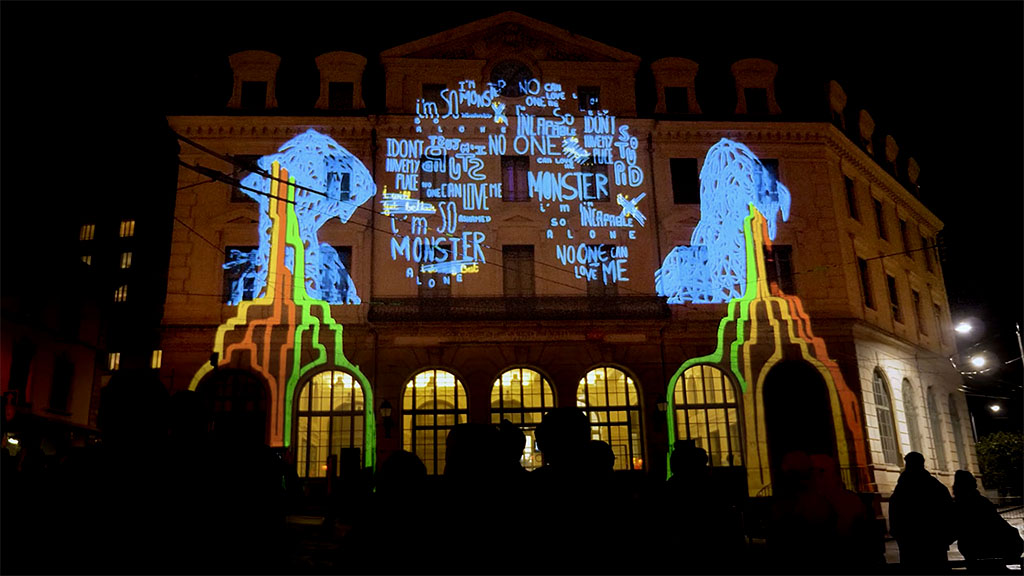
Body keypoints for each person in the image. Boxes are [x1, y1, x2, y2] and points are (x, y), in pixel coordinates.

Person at [888, 451, 956, 573]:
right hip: (934, 541)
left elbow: (895, 513)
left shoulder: (902, 489)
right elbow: (949, 513)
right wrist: (946, 537)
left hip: (910, 542)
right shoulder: (936, 486)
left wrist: (898, 533)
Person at [952, 469, 1024, 572]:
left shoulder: (958, 506)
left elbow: (954, 531)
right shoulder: (982, 502)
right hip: (996, 547)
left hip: (975, 551)